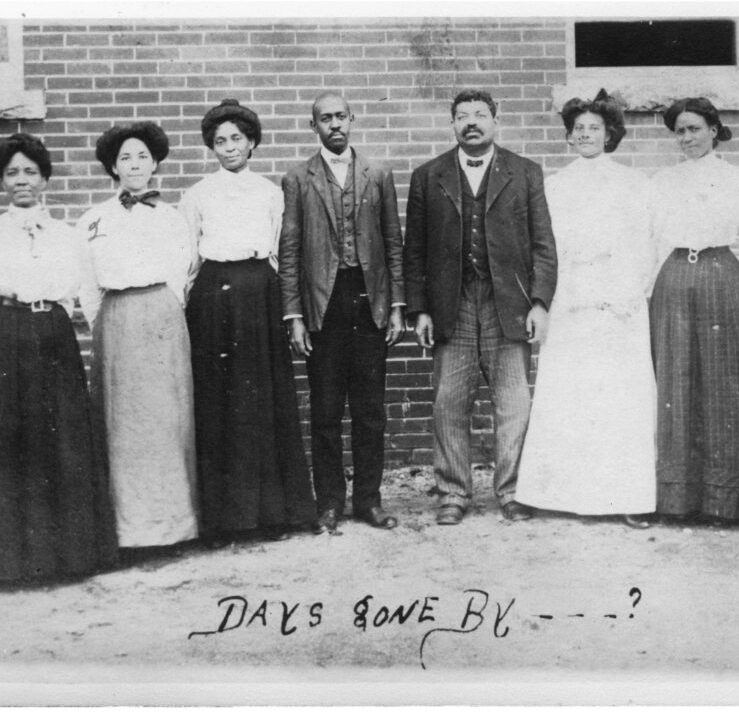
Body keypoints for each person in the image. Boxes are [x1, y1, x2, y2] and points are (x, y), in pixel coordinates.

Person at [0, 133, 117, 584]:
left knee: (59, 440)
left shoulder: (68, 234)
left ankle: (66, 557)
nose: (21, 180)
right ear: (1, 180)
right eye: (12, 173)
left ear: (44, 178)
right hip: (5, 337)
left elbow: (89, 294)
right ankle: (3, 562)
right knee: (8, 446)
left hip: (54, 336)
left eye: (29, 171)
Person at [404, 88, 557, 525]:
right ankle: (453, 492)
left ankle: (512, 491)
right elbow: (415, 251)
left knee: (513, 401)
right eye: (462, 116)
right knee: (449, 402)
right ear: (452, 124)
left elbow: (544, 246)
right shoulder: (427, 176)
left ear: (495, 120)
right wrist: (422, 310)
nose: (472, 122)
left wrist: (540, 303)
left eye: (480, 114)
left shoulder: (525, 172)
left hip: (507, 302)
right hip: (451, 305)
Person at [515, 92, 656, 529]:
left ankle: (628, 496)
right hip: (571, 295)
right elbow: (543, 247)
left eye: (595, 128)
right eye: (578, 129)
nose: (586, 135)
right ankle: (551, 493)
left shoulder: (635, 184)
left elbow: (647, 245)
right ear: (569, 137)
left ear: (610, 134)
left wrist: (629, 293)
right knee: (568, 394)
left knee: (619, 397)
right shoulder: (553, 185)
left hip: (618, 301)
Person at [180, 99, 317, 546]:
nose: (228, 147)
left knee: (264, 399)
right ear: (211, 148)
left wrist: (276, 298)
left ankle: (273, 513)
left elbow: (281, 250)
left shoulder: (270, 192)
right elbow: (188, 259)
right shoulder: (197, 195)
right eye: (219, 141)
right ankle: (222, 520)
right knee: (219, 401)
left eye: (236, 138)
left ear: (252, 142)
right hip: (213, 298)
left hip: (260, 293)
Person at [278, 92, 405, 534]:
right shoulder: (297, 178)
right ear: (313, 127)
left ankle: (368, 500)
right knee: (326, 409)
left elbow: (393, 242)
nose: (334, 124)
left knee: (371, 410)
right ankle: (329, 502)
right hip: (323, 303)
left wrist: (397, 307)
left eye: (340, 116)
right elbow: (289, 249)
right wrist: (294, 314)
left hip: (369, 299)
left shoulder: (378, 173)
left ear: (353, 119)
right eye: (324, 119)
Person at [78, 121, 199, 554]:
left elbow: (182, 273)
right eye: (125, 157)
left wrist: (160, 313)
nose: (134, 165)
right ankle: (128, 532)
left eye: (142, 156)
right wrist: (108, 322)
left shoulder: (171, 218)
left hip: (161, 316)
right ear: (112, 165)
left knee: (166, 421)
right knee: (122, 424)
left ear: (155, 164)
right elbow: (87, 285)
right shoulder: (93, 220)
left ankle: (173, 529)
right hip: (116, 320)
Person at [649, 97, 739, 525]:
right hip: (676, 276)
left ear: (714, 130)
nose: (687, 138)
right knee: (675, 385)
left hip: (723, 275)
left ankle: (723, 500)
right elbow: (650, 238)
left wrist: (734, 274)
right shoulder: (662, 181)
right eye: (680, 131)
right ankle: (677, 499)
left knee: (724, 385)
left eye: (695, 129)